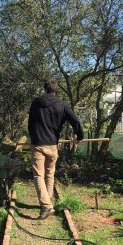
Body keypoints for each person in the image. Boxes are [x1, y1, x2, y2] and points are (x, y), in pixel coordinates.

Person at [28, 79, 84, 220]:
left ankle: (46, 206)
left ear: (45, 89)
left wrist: (33, 137)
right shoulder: (62, 105)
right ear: (56, 90)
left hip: (39, 144)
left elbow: (30, 123)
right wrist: (80, 136)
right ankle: (48, 202)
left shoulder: (36, 103)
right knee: (49, 174)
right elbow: (76, 121)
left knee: (38, 175)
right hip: (53, 145)